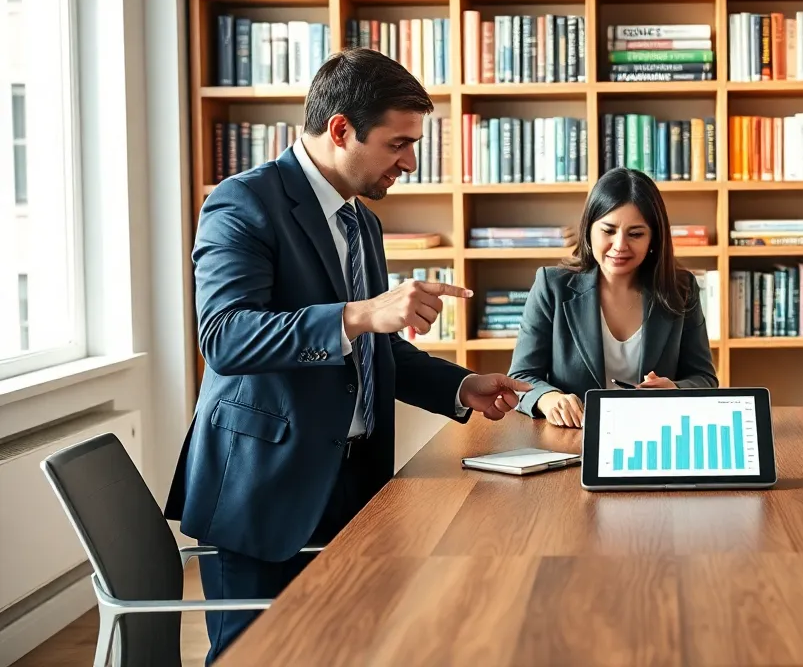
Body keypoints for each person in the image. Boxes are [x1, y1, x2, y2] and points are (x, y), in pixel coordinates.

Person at [165, 48, 531, 664]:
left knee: (351, 647)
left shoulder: (361, 222)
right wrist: (362, 313)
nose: (410, 162)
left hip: (358, 480)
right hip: (266, 485)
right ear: (341, 130)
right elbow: (226, 338)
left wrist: (461, 386)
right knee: (255, 656)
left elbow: (369, 348)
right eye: (397, 144)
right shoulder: (243, 203)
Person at [508, 167, 718, 427]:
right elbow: (520, 376)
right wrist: (548, 398)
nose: (620, 245)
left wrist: (674, 390)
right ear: (589, 230)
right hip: (572, 439)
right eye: (608, 231)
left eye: (636, 234)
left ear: (654, 238)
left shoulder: (681, 288)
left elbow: (704, 378)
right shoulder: (552, 286)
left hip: (653, 434)